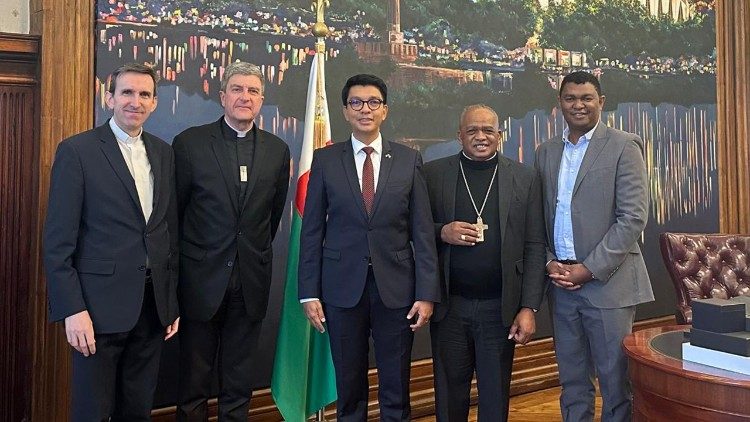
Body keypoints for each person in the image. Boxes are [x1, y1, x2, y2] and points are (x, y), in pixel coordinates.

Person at [298, 73, 440, 422]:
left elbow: (422, 231)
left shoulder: (408, 159)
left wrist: (426, 292)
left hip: (398, 291)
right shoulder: (326, 160)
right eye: (356, 103)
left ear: (385, 111)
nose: (365, 109)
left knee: (396, 386)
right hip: (341, 289)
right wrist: (308, 293)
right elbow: (312, 230)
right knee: (349, 388)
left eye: (373, 102)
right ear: (345, 111)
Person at [43, 63, 179, 421]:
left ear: (154, 103)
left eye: (144, 94)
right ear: (110, 98)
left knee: (137, 410)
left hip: (151, 309)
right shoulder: (78, 152)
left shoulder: (164, 153)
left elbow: (165, 232)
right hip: (96, 312)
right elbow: (58, 243)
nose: (136, 101)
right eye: (127, 93)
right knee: (93, 411)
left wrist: (169, 301)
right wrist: (72, 310)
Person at [173, 61, 290, 421]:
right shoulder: (190, 144)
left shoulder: (277, 150)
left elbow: (270, 218)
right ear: (222, 96)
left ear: (262, 99)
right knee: (193, 382)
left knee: (239, 383)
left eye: (253, 91)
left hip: (249, 283)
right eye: (237, 89)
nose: (245, 97)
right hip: (199, 283)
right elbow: (175, 214)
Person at [534, 71, 653, 422]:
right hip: (561, 284)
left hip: (607, 284)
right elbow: (536, 218)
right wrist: (549, 262)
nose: (578, 105)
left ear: (601, 102)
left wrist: (589, 269)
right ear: (560, 104)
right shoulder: (545, 152)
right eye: (570, 98)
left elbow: (632, 218)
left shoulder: (624, 146)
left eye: (586, 98)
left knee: (615, 383)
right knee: (572, 381)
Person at [423, 104, 546, 421]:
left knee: (495, 398)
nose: (481, 137)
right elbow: (415, 232)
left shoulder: (525, 176)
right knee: (450, 399)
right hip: (450, 306)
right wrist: (443, 231)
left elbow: (534, 245)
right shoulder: (433, 173)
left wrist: (529, 307)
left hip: (499, 309)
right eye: (472, 130)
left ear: (499, 136)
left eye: (488, 130)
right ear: (459, 135)